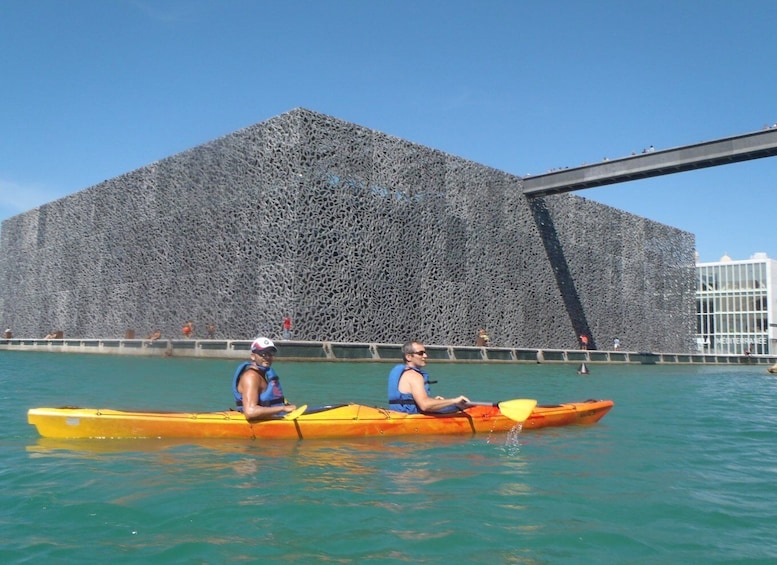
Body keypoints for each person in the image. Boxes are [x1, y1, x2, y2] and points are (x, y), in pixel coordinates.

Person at [387, 341, 470, 414]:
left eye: (425, 352)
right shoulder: (414, 376)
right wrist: (454, 401)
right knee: (461, 407)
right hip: (411, 418)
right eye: (420, 353)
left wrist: (435, 402)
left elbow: (416, 401)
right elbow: (424, 405)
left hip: (397, 413)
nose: (425, 356)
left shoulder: (402, 372)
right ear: (408, 357)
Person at [232, 337, 298, 420]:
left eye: (270, 353)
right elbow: (250, 412)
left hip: (275, 417)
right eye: (263, 354)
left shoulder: (263, 374)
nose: (267, 357)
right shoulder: (251, 377)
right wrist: (282, 408)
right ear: (253, 356)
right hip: (256, 424)